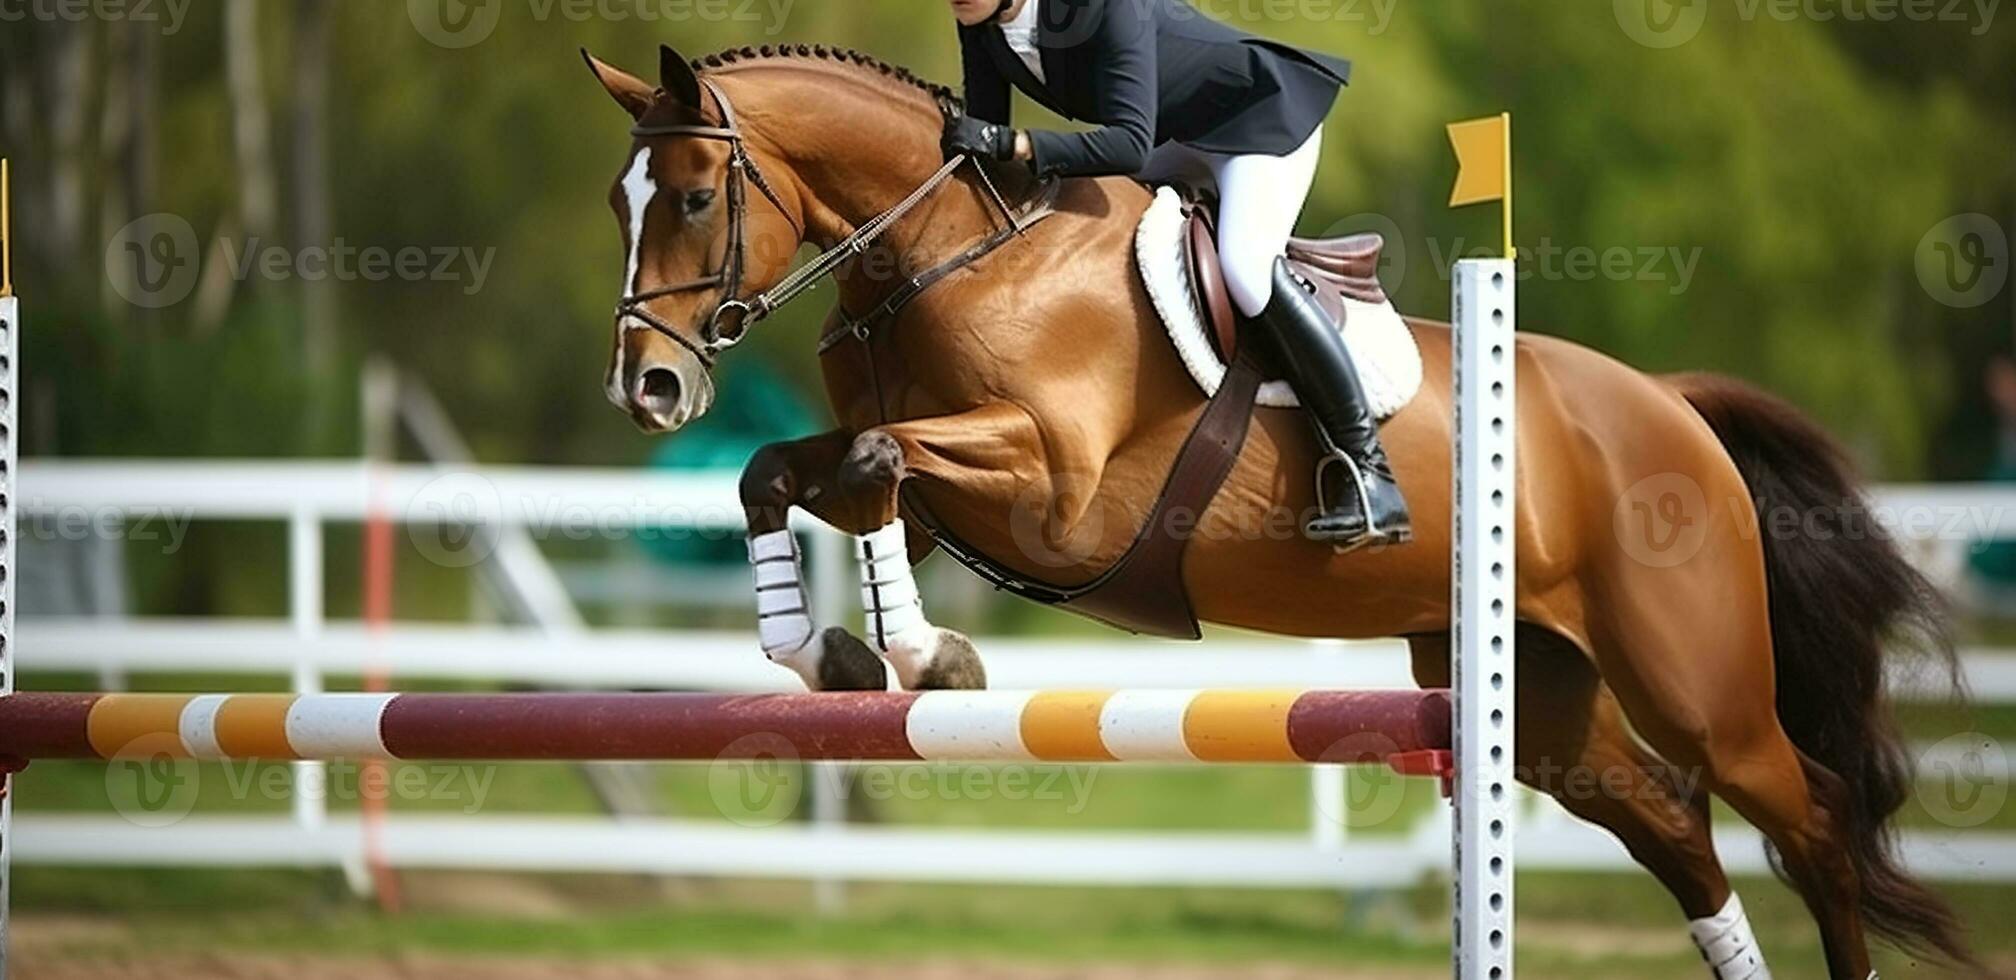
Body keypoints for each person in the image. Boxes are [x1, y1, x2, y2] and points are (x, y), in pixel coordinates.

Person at [941, 0, 1410, 551]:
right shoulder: (978, 19)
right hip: (1180, 134)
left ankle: (1371, 474)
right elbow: (986, 136)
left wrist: (1014, 144)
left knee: (1246, 269)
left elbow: (1124, 142)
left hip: (1257, 121)